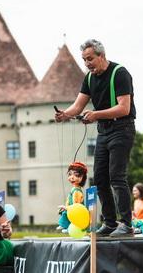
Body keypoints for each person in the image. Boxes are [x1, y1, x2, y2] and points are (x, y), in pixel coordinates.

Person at [55, 39, 136, 237]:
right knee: (99, 178)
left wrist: (96, 114)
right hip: (104, 131)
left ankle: (127, 224)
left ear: (102, 56)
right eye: (84, 60)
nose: (87, 63)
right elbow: (78, 106)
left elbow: (124, 108)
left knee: (117, 176)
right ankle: (110, 223)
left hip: (122, 128)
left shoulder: (120, 73)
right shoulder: (89, 78)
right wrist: (65, 115)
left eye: (90, 59)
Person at [57, 162, 88, 232]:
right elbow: (68, 202)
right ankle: (66, 226)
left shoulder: (77, 191)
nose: (72, 177)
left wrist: (66, 208)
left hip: (78, 212)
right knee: (64, 212)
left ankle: (68, 227)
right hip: (73, 209)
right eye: (70, 174)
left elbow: (75, 206)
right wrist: (65, 208)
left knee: (67, 213)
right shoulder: (74, 189)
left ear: (82, 177)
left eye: (76, 175)